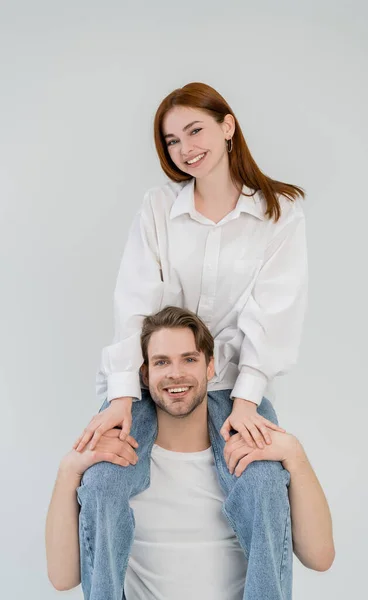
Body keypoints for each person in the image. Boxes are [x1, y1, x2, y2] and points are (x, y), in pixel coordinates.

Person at [73, 80, 308, 456]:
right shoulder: (157, 207)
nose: (185, 149)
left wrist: (247, 397)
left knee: (263, 486)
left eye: (195, 130)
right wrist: (122, 395)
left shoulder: (277, 213)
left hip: (233, 388)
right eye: (172, 141)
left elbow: (276, 312)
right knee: (102, 479)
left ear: (227, 127)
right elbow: (134, 304)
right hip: (156, 383)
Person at [46, 307, 335, 600]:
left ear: (210, 367)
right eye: (162, 362)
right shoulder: (118, 468)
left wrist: (295, 456)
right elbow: (62, 578)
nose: (176, 374)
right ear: (144, 374)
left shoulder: (248, 468)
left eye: (189, 359)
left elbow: (320, 557)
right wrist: (69, 469)